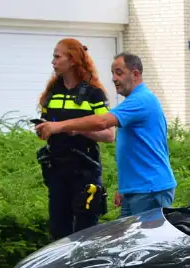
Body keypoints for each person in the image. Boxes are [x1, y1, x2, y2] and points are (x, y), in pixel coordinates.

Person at [35, 53, 177, 218]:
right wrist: (125, 188)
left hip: (150, 191)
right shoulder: (135, 101)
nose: (114, 78)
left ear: (136, 74)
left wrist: (58, 126)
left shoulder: (141, 100)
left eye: (119, 72)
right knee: (128, 244)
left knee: (146, 243)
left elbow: (102, 122)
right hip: (137, 190)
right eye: (112, 73)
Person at [35, 38, 115, 240]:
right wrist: (43, 129)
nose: (53, 62)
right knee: (58, 232)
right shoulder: (52, 93)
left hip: (84, 172)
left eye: (57, 56)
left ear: (72, 60)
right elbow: (48, 125)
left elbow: (108, 135)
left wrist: (78, 129)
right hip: (57, 171)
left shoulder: (93, 94)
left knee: (85, 235)